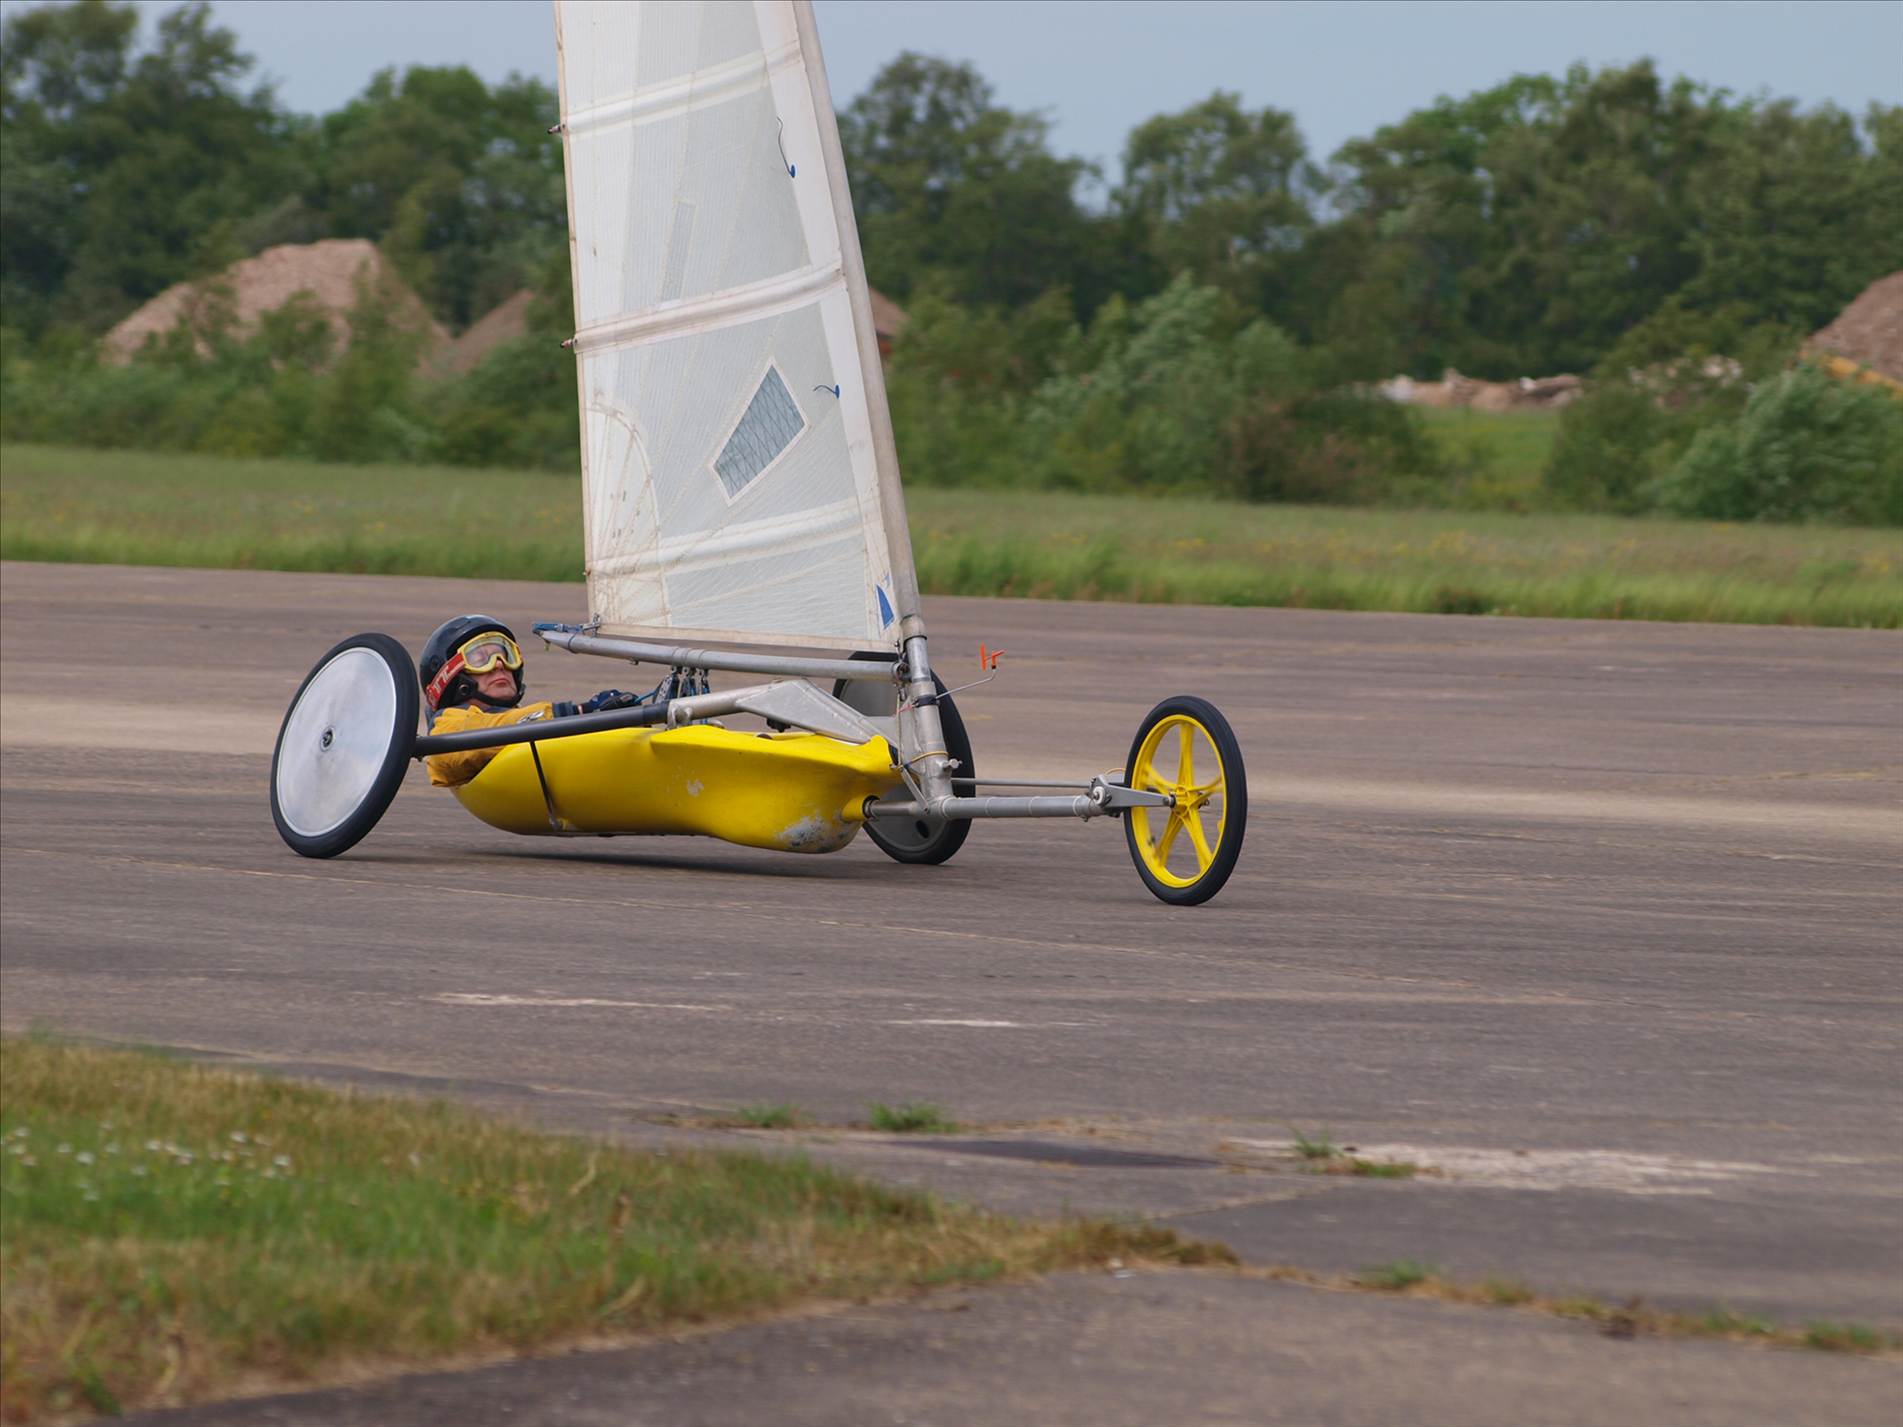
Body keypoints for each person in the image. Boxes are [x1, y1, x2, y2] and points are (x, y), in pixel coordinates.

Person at [419, 615, 640, 788]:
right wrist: (581, 711)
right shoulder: (446, 727)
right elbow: (457, 750)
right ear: (450, 677)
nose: (499, 664)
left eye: (506, 655)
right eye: (480, 659)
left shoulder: (523, 719)